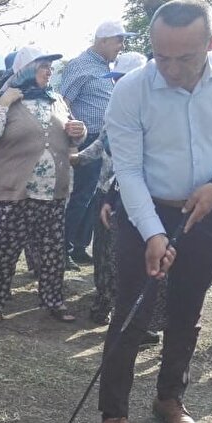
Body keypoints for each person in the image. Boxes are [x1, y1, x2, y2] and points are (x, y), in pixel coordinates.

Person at [98, 0, 212, 423]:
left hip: (207, 208)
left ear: (211, 44)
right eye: (160, 56)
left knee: (186, 310)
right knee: (131, 314)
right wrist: (153, 233)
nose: (170, 69)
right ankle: (113, 415)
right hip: (145, 208)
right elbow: (128, 170)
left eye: (184, 57)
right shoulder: (132, 89)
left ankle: (169, 397)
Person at [0, 46, 86, 326]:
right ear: (25, 69)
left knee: (52, 253)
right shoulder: (1, 96)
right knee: (3, 251)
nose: (49, 71)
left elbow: (69, 137)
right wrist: (4, 103)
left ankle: (53, 300)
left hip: (53, 191)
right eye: (43, 66)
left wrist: (79, 132)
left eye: (50, 67)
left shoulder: (57, 99)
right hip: (15, 191)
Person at [75, 51, 148, 326]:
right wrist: (79, 158)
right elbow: (102, 144)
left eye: (123, 79)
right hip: (107, 190)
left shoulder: (152, 112)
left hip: (138, 193)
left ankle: (131, 310)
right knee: (104, 252)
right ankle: (104, 300)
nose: (117, 84)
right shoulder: (114, 107)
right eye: (115, 79)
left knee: (130, 253)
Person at [59, 20, 133, 265]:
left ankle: (80, 246)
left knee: (93, 196)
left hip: (104, 139)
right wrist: (71, 140)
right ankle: (63, 249)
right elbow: (62, 104)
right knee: (81, 196)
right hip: (85, 139)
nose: (122, 45)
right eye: (118, 40)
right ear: (103, 41)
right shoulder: (80, 66)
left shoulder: (107, 67)